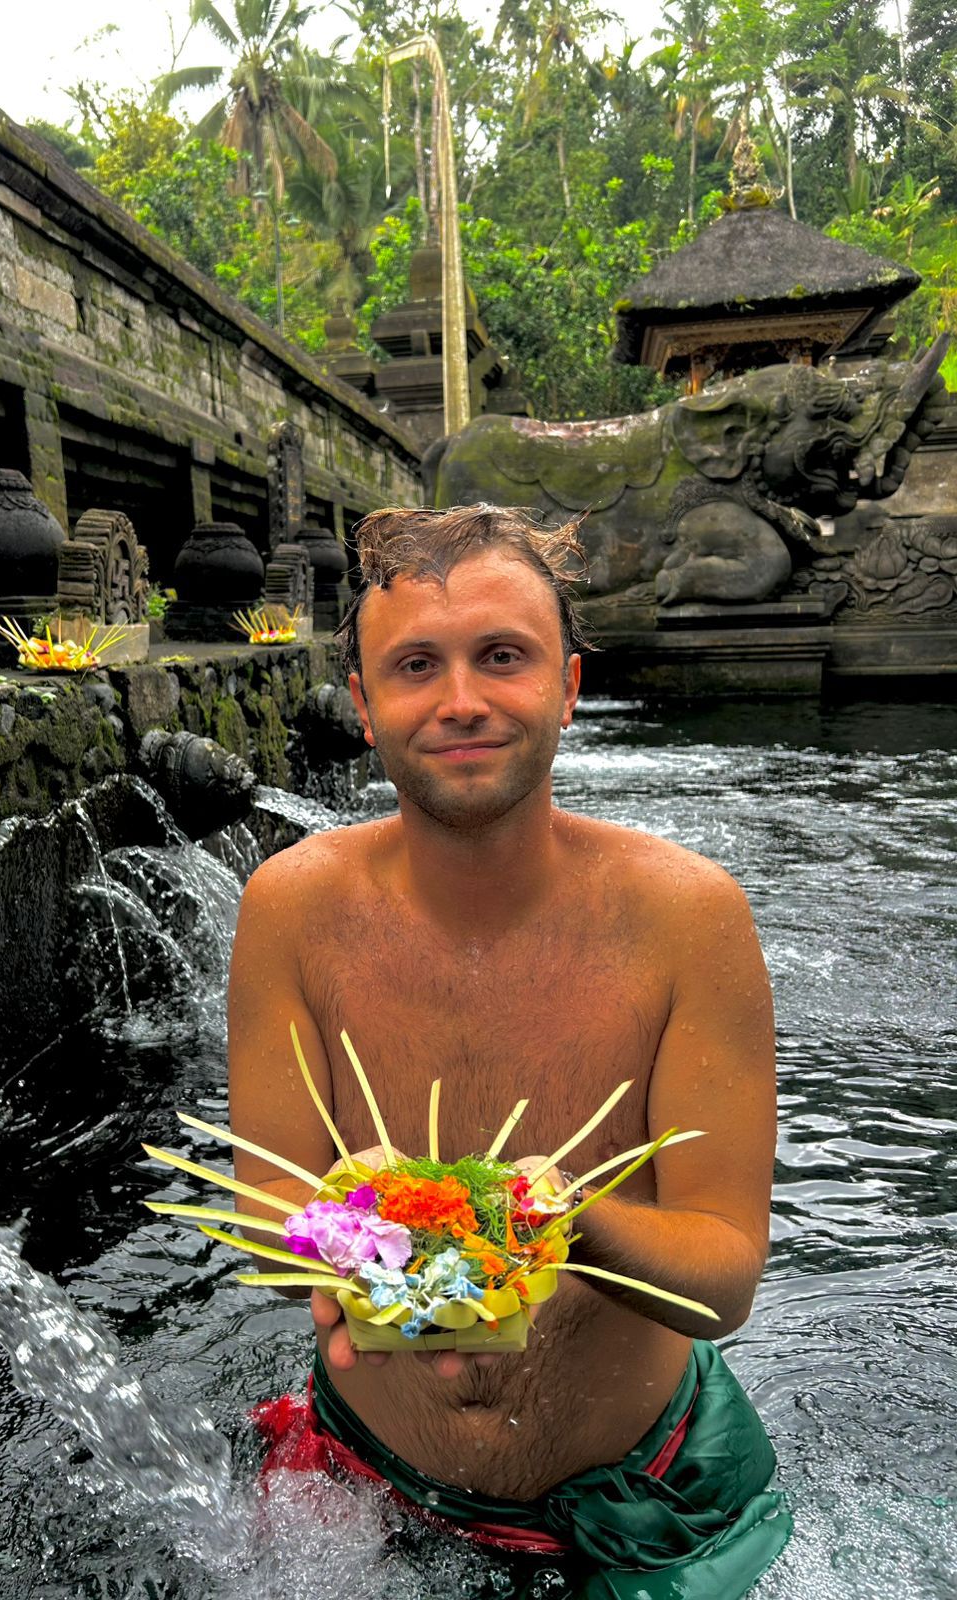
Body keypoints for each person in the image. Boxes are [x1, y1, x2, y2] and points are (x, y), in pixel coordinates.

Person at [227, 504, 791, 1598]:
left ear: (570, 687)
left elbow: (724, 1277)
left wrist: (553, 1225)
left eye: (503, 656)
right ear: (363, 703)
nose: (462, 701)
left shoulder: (688, 917)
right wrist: (380, 1259)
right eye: (416, 666)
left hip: (647, 1491)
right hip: (373, 1476)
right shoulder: (292, 907)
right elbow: (265, 1212)